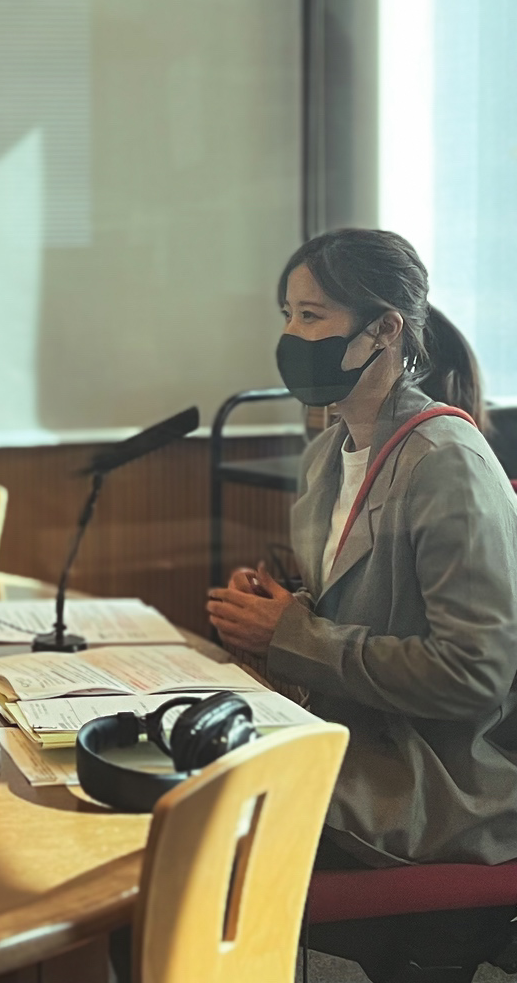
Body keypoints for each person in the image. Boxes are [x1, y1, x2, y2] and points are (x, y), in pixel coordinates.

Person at [207, 228, 517, 979]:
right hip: (349, 740)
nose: (291, 335)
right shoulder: (328, 454)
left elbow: (476, 675)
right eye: (288, 314)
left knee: (189, 841)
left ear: (385, 330)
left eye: (312, 316)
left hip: (432, 779)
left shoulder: (446, 463)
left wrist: (292, 635)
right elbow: (356, 607)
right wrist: (279, 610)